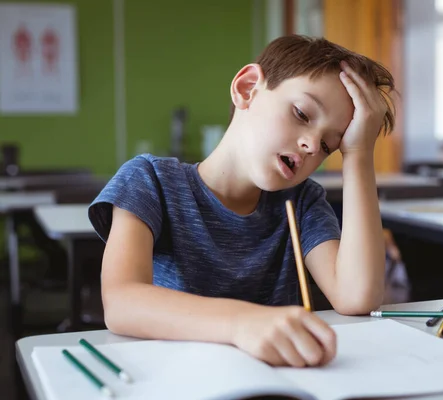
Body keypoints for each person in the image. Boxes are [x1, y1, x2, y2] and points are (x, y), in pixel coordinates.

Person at [88, 35, 396, 369]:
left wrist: (359, 153)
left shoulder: (302, 200)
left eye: (327, 146)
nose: (311, 144)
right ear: (248, 88)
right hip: (176, 378)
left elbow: (357, 297)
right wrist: (243, 323)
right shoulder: (150, 181)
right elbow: (121, 303)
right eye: (302, 113)